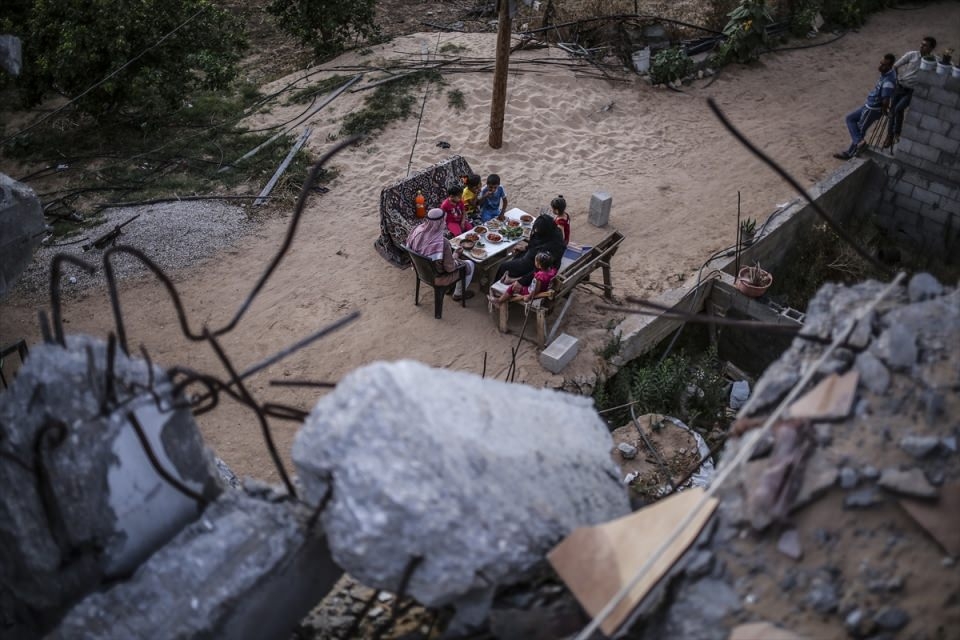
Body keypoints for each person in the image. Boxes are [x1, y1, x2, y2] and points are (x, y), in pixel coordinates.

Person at [834, 53, 897, 160]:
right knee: (850, 118)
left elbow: (886, 100)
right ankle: (858, 142)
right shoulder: (887, 74)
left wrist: (882, 110)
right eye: (881, 63)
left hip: (872, 109)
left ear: (890, 66)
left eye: (884, 65)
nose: (880, 67)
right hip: (868, 105)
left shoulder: (888, 81)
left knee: (861, 129)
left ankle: (850, 153)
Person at [405, 208, 475, 301]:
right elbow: (450, 268)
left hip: (420, 270)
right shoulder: (443, 242)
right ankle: (458, 294)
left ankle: (449, 289)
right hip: (437, 277)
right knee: (470, 264)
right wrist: (456, 255)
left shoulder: (416, 230)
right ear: (441, 222)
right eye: (444, 221)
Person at [884, 36, 936, 149]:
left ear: (931, 48)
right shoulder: (912, 55)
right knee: (894, 111)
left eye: (925, 45)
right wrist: (896, 79)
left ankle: (896, 133)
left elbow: (945, 67)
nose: (921, 46)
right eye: (921, 44)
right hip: (900, 86)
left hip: (912, 91)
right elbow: (895, 66)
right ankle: (890, 136)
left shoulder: (933, 61)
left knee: (898, 109)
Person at [494, 213, 566, 288]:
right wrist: (526, 248)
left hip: (534, 264)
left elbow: (539, 271)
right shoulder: (553, 231)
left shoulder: (550, 250)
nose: (536, 231)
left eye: (538, 230)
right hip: (533, 256)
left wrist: (520, 281)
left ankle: (497, 288)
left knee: (504, 266)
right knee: (516, 257)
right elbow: (535, 242)